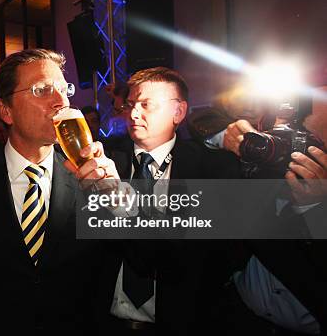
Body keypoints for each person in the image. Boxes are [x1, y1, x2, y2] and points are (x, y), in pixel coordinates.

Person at [0, 49, 120, 335]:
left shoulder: (97, 179)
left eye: (65, 91)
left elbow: (143, 259)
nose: (61, 101)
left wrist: (120, 203)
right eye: (42, 90)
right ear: (5, 111)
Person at [102, 67, 241, 335]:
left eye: (146, 105)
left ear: (178, 112)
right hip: (106, 322)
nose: (133, 113)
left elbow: (213, 256)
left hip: (184, 322)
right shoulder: (106, 161)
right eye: (130, 105)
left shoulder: (213, 169)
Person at [188, 86, 327, 335]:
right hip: (240, 317)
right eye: (280, 127)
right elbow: (202, 118)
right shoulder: (257, 166)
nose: (281, 138)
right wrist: (229, 137)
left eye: (299, 135)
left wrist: (317, 207)